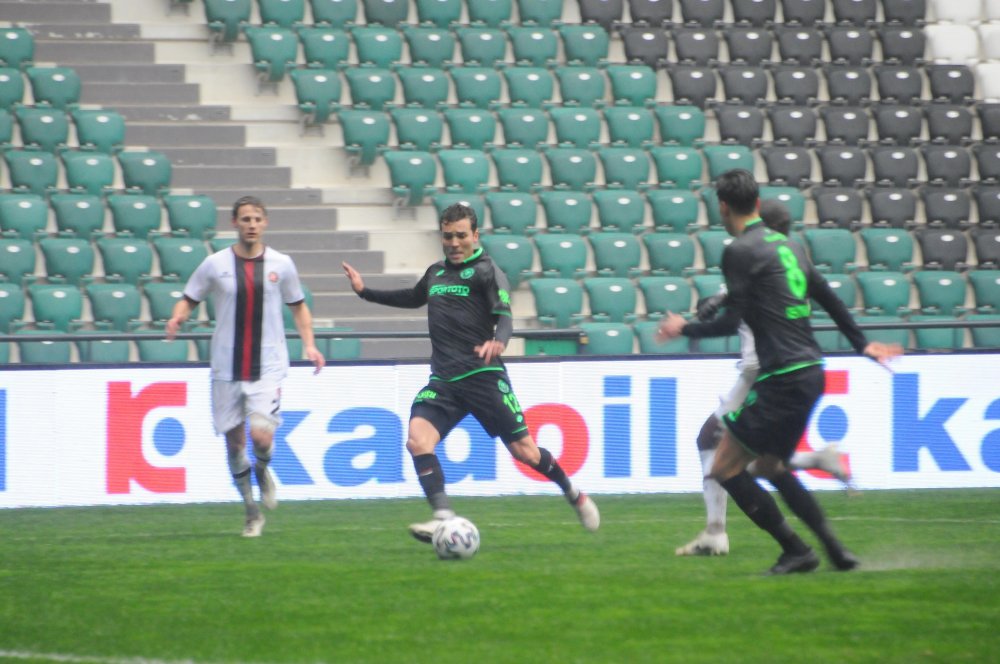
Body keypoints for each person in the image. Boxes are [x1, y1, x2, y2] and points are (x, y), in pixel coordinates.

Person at [658, 170, 902, 574]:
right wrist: (862, 344)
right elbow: (827, 296)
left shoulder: (738, 250)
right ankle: (834, 550)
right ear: (756, 201)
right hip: (812, 370)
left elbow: (729, 322)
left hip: (781, 376)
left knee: (723, 468)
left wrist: (683, 328)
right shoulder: (790, 246)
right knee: (772, 467)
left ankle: (796, 549)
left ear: (722, 206)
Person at [341, 203, 600, 545]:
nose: (454, 242)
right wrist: (365, 292)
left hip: (482, 376)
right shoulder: (436, 273)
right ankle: (443, 517)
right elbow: (412, 297)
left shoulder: (487, 271)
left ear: (475, 235)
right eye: (447, 236)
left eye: (461, 235)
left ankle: (573, 492)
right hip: (444, 381)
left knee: (525, 452)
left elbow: (505, 315)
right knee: (418, 440)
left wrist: (499, 341)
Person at [676, 200, 853, 558]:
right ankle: (824, 523)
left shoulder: (752, 265)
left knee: (716, 447)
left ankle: (719, 533)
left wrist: (695, 320)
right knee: (767, 464)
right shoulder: (786, 266)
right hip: (793, 368)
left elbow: (726, 313)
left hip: (763, 370)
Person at [166, 196, 326, 538]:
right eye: (245, 219)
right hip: (226, 366)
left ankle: (264, 469)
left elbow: (298, 307)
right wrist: (178, 317)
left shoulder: (281, 264)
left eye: (256, 218)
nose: (251, 224)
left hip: (267, 364)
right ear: (234, 223)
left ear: (265, 223)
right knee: (236, 445)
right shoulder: (214, 264)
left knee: (261, 437)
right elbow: (190, 297)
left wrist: (309, 344)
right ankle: (251, 510)